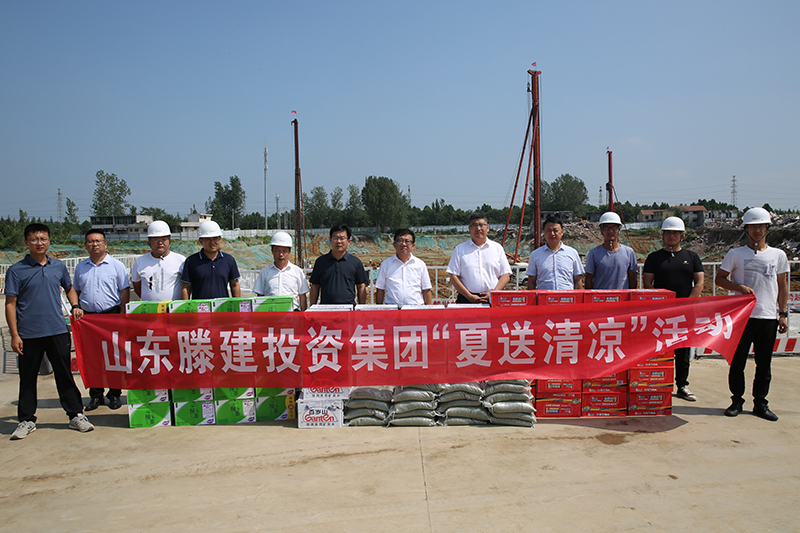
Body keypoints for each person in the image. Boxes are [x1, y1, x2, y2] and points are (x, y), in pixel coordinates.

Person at [4, 223, 94, 440]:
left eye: (43, 239)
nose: (39, 243)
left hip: (57, 330)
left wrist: (75, 305)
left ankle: (76, 415)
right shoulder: (16, 270)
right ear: (26, 243)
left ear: (49, 241)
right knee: (28, 378)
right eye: (34, 239)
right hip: (29, 333)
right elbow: (10, 304)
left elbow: (69, 287)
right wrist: (15, 334)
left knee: (64, 374)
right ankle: (26, 419)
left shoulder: (58, 267)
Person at [716, 207, 789, 422]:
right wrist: (738, 287)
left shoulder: (778, 255)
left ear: (767, 228)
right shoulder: (735, 254)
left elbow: (782, 286)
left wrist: (782, 314)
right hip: (742, 317)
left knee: (764, 364)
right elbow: (720, 279)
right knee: (737, 362)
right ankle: (736, 400)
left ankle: (760, 403)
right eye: (752, 227)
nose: (757, 230)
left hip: (767, 317)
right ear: (746, 229)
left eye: (761, 226)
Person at [643, 217, 704, 402]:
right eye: (668, 233)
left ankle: (682, 385)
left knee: (683, 350)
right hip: (661, 313)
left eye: (675, 233)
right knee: (658, 348)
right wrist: (660, 303)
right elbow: (647, 282)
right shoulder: (654, 258)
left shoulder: (692, 257)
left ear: (681, 235)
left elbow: (699, 283)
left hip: (684, 312)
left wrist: (687, 304)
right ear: (663, 235)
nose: (671, 236)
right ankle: (657, 383)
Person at [73, 229, 130, 411]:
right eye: (90, 241)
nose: (94, 244)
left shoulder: (116, 265)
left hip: (111, 315)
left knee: (114, 356)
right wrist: (77, 308)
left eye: (98, 241)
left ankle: (114, 394)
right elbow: (76, 291)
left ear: (105, 244)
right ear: (85, 245)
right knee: (93, 358)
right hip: (89, 318)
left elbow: (124, 291)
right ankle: (96, 395)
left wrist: (122, 314)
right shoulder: (81, 267)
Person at [447, 213, 511, 303]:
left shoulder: (497, 248)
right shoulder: (460, 249)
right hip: (466, 299)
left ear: (487, 228)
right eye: (474, 225)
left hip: (493, 298)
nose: (478, 228)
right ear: (469, 229)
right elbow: (453, 276)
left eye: (481, 225)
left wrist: (492, 294)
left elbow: (506, 275)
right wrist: (469, 296)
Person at [309, 224, 368, 305]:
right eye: (335, 238)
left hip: (348, 308)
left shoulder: (355, 262)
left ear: (348, 241)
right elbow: (315, 286)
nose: (338, 241)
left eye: (342, 238)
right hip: (326, 308)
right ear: (330, 240)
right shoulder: (321, 262)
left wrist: (361, 308)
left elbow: (361, 286)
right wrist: (312, 307)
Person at [181, 220, 241, 300]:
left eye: (215, 238)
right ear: (201, 241)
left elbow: (234, 284)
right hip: (199, 307)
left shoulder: (229, 260)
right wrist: (186, 306)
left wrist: (237, 304)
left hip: (222, 306)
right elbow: (186, 287)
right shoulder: (191, 261)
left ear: (220, 239)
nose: (212, 242)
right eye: (208, 239)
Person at [375, 228, 433, 307]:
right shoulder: (385, 265)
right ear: (394, 244)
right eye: (400, 241)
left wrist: (429, 310)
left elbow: (426, 289)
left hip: (415, 308)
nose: (404, 244)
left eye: (407, 241)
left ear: (413, 245)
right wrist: (379, 310)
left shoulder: (420, 264)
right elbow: (380, 289)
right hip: (393, 309)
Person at [131, 220, 186, 301]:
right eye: (155, 239)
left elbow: (187, 285)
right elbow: (137, 286)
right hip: (149, 307)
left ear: (169, 240)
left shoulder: (180, 260)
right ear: (149, 242)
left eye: (164, 239)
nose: (160, 243)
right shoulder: (139, 262)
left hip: (174, 307)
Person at [253, 231, 309, 311]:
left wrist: (304, 315)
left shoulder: (297, 271)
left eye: (284, 251)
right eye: (277, 250)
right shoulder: (264, 272)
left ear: (289, 252)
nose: (281, 254)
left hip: (292, 313)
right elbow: (260, 296)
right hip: (271, 313)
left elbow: (302, 296)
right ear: (272, 251)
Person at [527, 215, 584, 290]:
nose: (552, 233)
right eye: (548, 230)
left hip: (567, 296)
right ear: (544, 232)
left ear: (562, 232)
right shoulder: (535, 254)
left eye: (555, 230)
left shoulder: (572, 253)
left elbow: (577, 280)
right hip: (544, 296)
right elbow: (531, 281)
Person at [584, 211, 638, 290]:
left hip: (622, 297)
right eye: (606, 227)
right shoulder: (594, 253)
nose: (610, 231)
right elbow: (589, 278)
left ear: (619, 229)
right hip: (600, 297)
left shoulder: (629, 252)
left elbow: (632, 277)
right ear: (601, 230)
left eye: (614, 227)